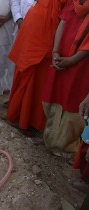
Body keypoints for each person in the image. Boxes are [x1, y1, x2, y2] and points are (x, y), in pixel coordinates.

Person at [7, 0, 67, 137]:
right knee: (33, 78)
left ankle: (25, 119)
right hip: (41, 30)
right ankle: (24, 120)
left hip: (41, 25)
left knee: (36, 79)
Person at [43, 0, 89, 158]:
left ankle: (67, 146)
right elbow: (63, 22)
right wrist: (56, 53)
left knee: (72, 101)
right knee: (56, 95)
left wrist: (72, 60)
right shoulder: (73, 2)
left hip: (82, 64)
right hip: (62, 57)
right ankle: (51, 139)